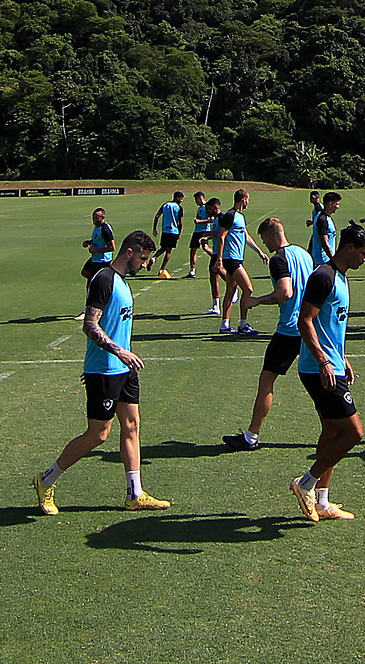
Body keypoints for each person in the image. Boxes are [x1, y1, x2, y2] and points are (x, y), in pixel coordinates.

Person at [32, 230, 170, 514]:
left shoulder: (121, 281)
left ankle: (135, 494)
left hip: (124, 369)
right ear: (129, 253)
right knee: (98, 435)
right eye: (142, 258)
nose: (145, 264)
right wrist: (119, 352)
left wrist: (124, 357)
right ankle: (46, 480)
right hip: (106, 369)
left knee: (132, 425)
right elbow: (90, 325)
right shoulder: (104, 279)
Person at [289, 225, 365, 521]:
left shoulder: (341, 276)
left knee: (333, 432)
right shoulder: (323, 276)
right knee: (353, 433)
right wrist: (325, 361)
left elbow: (330, 325)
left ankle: (323, 502)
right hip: (319, 370)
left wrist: (342, 357)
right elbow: (305, 320)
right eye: (363, 253)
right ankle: (306, 484)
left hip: (332, 365)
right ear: (349, 247)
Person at [224, 217, 316, 451]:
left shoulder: (278, 259)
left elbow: (285, 292)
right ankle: (338, 428)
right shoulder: (304, 254)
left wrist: (257, 300)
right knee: (321, 381)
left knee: (267, 381)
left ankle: (251, 437)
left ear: (272, 237)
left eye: (265, 240)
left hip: (290, 329)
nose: (265, 245)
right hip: (311, 325)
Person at [214, 189, 264, 337]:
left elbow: (246, 236)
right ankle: (243, 324)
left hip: (236, 258)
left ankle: (225, 325)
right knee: (248, 289)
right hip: (231, 259)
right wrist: (219, 259)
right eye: (248, 199)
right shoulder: (230, 215)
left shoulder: (240, 217)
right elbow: (221, 236)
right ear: (243, 199)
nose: (248, 202)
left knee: (230, 290)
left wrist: (260, 252)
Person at [152, 193, 183, 280]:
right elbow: (180, 222)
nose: (181, 200)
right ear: (177, 198)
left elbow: (157, 216)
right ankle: (162, 269)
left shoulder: (165, 205)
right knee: (168, 251)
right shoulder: (179, 208)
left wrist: (154, 228)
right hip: (173, 231)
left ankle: (154, 258)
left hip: (165, 231)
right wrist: (179, 233)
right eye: (181, 198)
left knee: (163, 248)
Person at [184, 192, 215, 279]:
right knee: (193, 250)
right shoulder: (200, 208)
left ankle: (217, 259)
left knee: (205, 247)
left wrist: (200, 221)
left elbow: (212, 219)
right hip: (197, 231)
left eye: (196, 199)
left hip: (204, 231)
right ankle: (192, 270)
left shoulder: (207, 207)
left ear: (200, 197)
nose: (195, 201)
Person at [308, 192, 340, 267]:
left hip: (324, 260)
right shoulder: (322, 220)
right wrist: (334, 260)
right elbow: (324, 243)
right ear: (330, 204)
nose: (338, 207)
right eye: (336, 204)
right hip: (323, 261)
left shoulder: (325, 217)